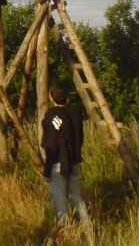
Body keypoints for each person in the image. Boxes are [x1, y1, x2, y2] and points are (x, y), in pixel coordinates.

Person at [41, 83, 90, 223]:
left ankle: (64, 232)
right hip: (74, 161)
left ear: (51, 97)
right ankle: (87, 228)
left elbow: (51, 146)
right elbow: (80, 137)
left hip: (58, 164)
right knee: (76, 197)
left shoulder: (51, 116)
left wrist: (46, 171)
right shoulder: (75, 112)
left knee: (59, 201)